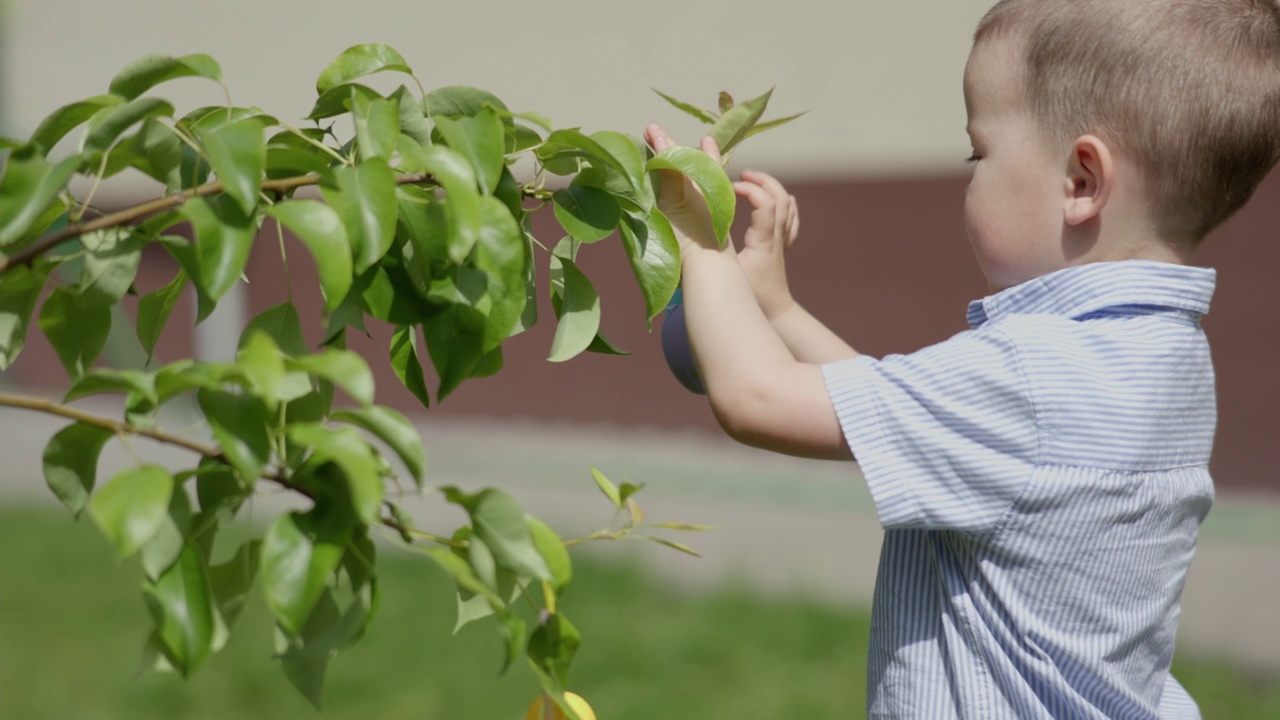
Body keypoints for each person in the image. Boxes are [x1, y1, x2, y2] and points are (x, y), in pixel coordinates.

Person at [642, 0, 1280, 717]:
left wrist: (696, 233)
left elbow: (757, 399)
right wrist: (779, 310)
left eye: (979, 150)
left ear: (1081, 182)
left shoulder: (1032, 378)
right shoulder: (1165, 360)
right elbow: (896, 415)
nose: (970, 174)